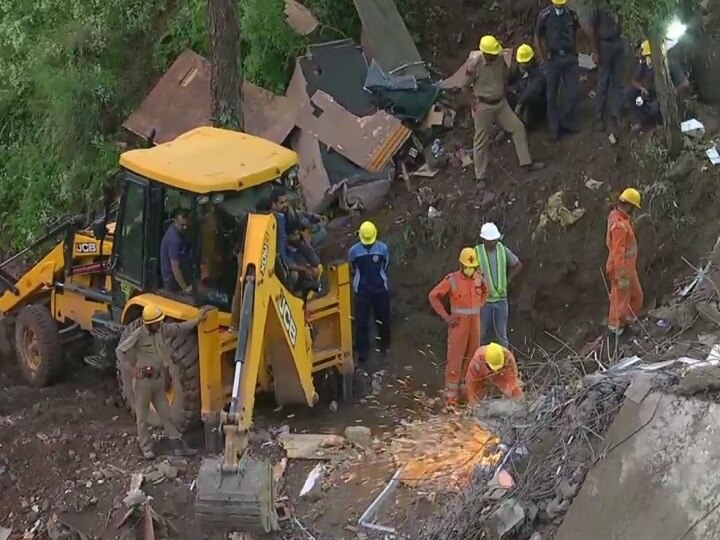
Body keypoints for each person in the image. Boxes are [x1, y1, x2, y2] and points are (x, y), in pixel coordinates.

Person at [116, 304, 210, 459]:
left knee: (166, 414)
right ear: (148, 323)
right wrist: (132, 371)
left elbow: (180, 328)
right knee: (142, 416)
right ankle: (146, 448)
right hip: (143, 383)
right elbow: (120, 351)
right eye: (156, 322)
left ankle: (178, 446)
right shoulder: (139, 335)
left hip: (158, 380)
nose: (159, 324)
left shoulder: (163, 330)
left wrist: (198, 320)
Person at [463, 35, 544, 186]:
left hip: (500, 103)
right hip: (483, 105)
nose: (495, 55)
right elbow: (464, 86)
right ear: (485, 53)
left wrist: (504, 91)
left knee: (518, 127)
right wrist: (472, 104)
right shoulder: (474, 65)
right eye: (492, 53)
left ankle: (526, 163)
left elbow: (506, 76)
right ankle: (480, 176)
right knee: (481, 140)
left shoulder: (499, 60)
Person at [428, 248, 489, 406]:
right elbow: (433, 296)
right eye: (467, 267)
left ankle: (469, 391)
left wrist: (479, 306)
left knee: (473, 357)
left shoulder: (479, 279)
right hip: (458, 324)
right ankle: (451, 397)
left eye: (473, 267)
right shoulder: (452, 280)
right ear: (461, 265)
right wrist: (447, 317)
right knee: (455, 358)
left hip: (474, 323)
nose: (470, 270)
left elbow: (485, 292)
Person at [535, 0, 583, 142]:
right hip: (552, 59)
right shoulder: (545, 15)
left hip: (569, 57)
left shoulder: (571, 14)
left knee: (573, 92)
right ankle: (554, 130)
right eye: (558, 4)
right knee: (551, 96)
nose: (560, 7)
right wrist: (543, 59)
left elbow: (576, 33)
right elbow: (537, 37)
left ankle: (566, 122)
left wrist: (576, 52)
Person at [348, 221, 390, 369]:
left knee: (383, 319)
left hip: (379, 290)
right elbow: (353, 267)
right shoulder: (354, 251)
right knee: (361, 324)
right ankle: (362, 355)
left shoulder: (382, 249)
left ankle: (384, 348)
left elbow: (385, 266)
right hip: (362, 291)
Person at [475, 223, 523, 347]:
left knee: (502, 335)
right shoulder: (477, 252)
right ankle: (479, 361)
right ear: (483, 240)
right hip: (484, 301)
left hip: (501, 299)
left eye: (494, 240)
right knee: (481, 334)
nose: (492, 243)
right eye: (489, 241)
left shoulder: (502, 249)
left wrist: (508, 280)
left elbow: (517, 265)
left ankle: (505, 363)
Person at [625, 40, 690, 131]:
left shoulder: (670, 64)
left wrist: (670, 94)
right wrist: (642, 88)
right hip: (652, 93)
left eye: (646, 56)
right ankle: (642, 121)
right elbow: (634, 79)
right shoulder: (646, 64)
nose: (645, 59)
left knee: (654, 108)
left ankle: (661, 126)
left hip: (666, 96)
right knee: (630, 93)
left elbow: (685, 83)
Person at [606, 187, 643, 337]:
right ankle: (617, 329)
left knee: (635, 295)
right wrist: (621, 275)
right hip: (621, 267)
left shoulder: (616, 216)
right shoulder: (619, 225)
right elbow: (618, 252)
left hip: (627, 266)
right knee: (620, 300)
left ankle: (625, 322)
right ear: (628, 205)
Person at [583, 4, 625, 131]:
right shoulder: (598, 4)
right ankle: (599, 115)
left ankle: (616, 113)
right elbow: (591, 27)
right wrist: (595, 51)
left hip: (619, 42)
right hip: (605, 44)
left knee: (618, 81)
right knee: (603, 81)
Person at [466, 342, 524, 407]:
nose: (495, 371)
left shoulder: (508, 358)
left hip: (502, 372)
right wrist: (473, 404)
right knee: (478, 394)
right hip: (481, 371)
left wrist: (514, 394)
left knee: (514, 390)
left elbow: (512, 382)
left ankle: (521, 405)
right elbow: (471, 384)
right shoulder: (477, 361)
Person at [508, 44, 547, 129]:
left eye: (525, 63)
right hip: (521, 98)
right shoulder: (518, 70)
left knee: (530, 100)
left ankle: (529, 123)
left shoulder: (540, 73)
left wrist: (520, 104)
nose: (523, 65)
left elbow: (532, 90)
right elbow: (509, 79)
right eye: (521, 63)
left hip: (536, 104)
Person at [160, 208, 193, 292]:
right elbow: (175, 267)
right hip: (172, 281)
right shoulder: (174, 239)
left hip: (184, 273)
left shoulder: (182, 233)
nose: (185, 227)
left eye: (186, 224)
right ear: (175, 221)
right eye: (182, 225)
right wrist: (185, 288)